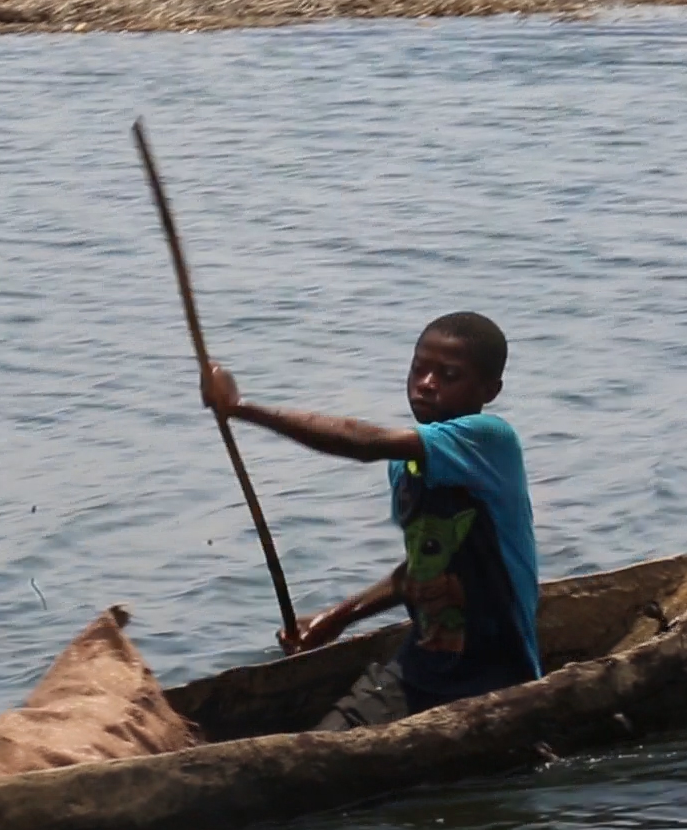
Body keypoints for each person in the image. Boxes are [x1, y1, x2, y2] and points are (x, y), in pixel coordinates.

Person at [200, 311, 540, 729]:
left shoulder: (489, 440)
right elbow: (422, 567)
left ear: (489, 390)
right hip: (420, 666)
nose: (426, 383)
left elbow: (364, 442)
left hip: (498, 678)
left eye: (448, 375)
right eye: (419, 369)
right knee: (324, 744)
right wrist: (337, 618)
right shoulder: (406, 467)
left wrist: (242, 409)